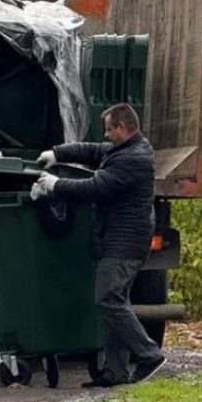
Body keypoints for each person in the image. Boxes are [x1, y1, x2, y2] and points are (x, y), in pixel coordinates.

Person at [34, 103, 166, 387]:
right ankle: (116, 372)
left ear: (122, 127)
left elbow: (95, 188)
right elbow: (92, 150)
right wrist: (57, 153)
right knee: (116, 302)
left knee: (108, 299)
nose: (105, 135)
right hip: (119, 238)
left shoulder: (133, 159)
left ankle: (150, 355)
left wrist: (55, 185)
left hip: (125, 242)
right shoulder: (124, 149)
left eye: (109, 129)